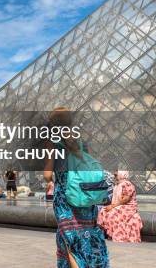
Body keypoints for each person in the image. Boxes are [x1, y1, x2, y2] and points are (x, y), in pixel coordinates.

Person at [44, 108, 109, 268]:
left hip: (66, 198)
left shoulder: (52, 142)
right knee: (86, 236)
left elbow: (47, 174)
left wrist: (53, 179)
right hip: (86, 195)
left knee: (70, 238)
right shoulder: (81, 141)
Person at [98, 171, 142, 243]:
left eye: (116, 174)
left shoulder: (127, 184)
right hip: (119, 206)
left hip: (128, 207)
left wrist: (112, 206)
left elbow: (125, 200)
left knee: (112, 214)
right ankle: (108, 234)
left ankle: (119, 236)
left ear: (122, 175)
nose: (114, 176)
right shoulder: (118, 185)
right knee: (103, 210)